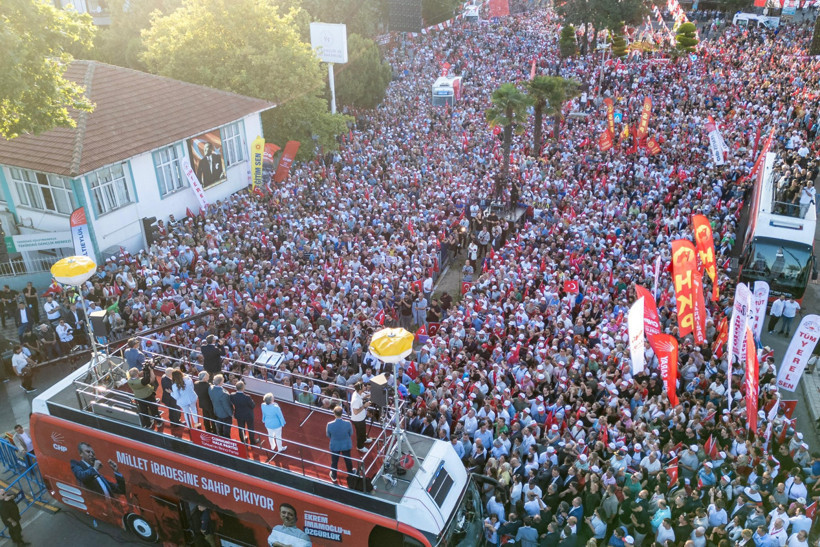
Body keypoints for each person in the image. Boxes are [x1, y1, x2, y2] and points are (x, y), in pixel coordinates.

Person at [326, 405, 353, 483]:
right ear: (342, 413)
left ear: (334, 413)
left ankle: (334, 475)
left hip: (335, 445)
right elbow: (350, 433)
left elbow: (328, 435)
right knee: (348, 460)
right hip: (346, 445)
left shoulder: (329, 424)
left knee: (334, 461)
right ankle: (350, 474)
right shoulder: (348, 423)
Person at [230, 381, 258, 445]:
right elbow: (253, 405)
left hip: (239, 414)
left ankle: (243, 441)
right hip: (248, 415)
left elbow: (231, 403)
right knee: (250, 428)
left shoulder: (232, 395)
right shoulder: (247, 397)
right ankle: (252, 442)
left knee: (241, 428)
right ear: (243, 388)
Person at [350, 382, 372, 451]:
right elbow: (355, 412)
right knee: (360, 433)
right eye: (363, 387)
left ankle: (364, 439)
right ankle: (360, 447)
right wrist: (364, 406)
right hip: (357, 420)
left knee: (363, 430)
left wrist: (371, 395)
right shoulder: (356, 400)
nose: (365, 387)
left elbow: (364, 396)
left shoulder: (358, 393)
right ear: (360, 389)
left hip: (361, 418)